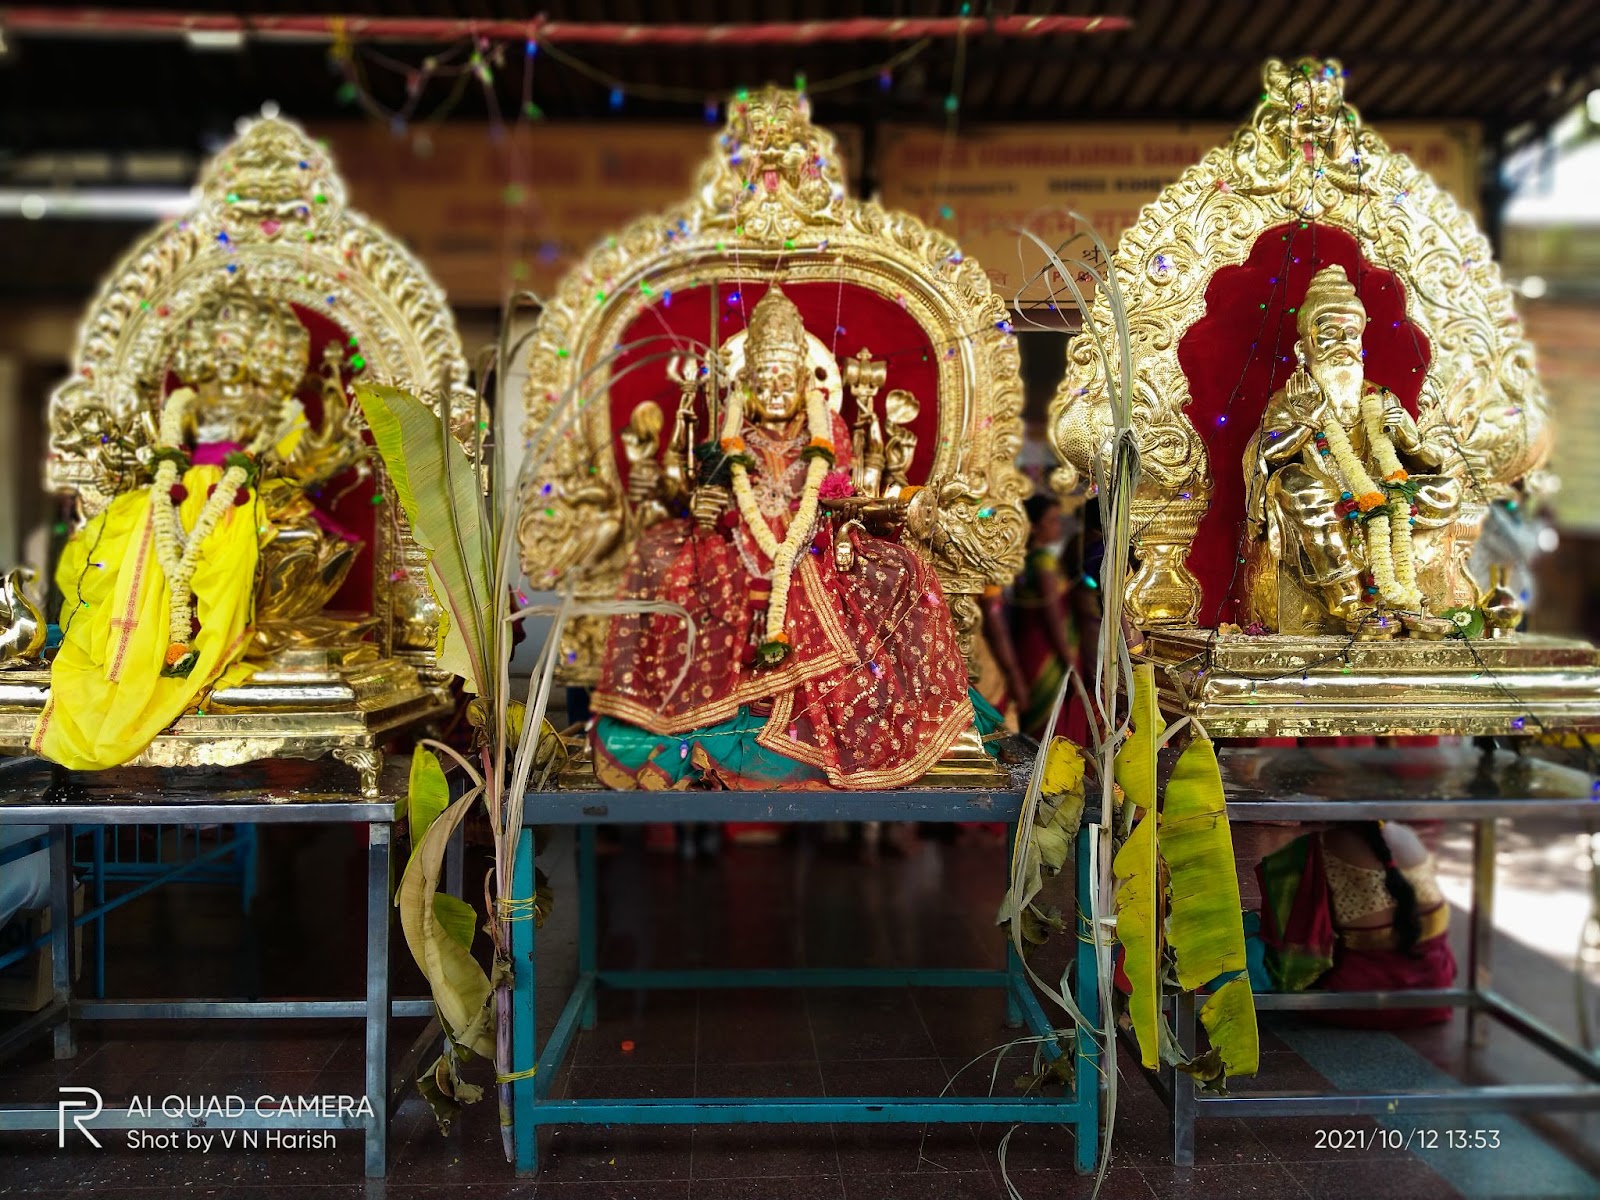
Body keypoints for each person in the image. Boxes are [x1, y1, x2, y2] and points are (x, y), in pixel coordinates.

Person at [590, 288, 977, 790]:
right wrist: (706, 512)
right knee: (657, 555)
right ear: (746, 385)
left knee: (904, 569)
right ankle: (683, 709)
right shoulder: (731, 438)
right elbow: (712, 501)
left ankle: (916, 712)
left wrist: (840, 525)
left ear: (802, 381)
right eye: (763, 381)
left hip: (812, 545)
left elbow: (841, 493)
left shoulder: (830, 429)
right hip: (736, 548)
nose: (774, 392)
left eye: (784, 380)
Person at [1254, 819, 1455, 1028]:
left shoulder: (1326, 844)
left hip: (1361, 996)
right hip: (1435, 989)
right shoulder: (1407, 835)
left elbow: (1295, 937)